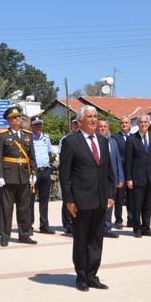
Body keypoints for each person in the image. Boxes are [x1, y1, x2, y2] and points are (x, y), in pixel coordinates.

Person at [59, 106, 114, 292]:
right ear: (80, 121)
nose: (93, 120)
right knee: (81, 239)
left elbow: (108, 170)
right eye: (89, 117)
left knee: (97, 239)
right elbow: (64, 175)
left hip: (100, 198)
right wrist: (68, 200)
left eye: (95, 117)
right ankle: (81, 277)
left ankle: (92, 275)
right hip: (80, 200)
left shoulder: (103, 140)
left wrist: (111, 194)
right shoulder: (70, 142)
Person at [0, 105, 36, 246]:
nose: (18, 119)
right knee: (7, 208)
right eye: (14, 117)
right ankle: (5, 236)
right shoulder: (2, 135)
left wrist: (33, 173)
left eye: (19, 117)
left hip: (23, 175)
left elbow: (32, 157)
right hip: (8, 175)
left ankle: (24, 234)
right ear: (9, 120)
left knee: (24, 208)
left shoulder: (27, 135)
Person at [124, 113, 151, 237]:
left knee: (147, 205)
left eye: (145, 122)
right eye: (141, 122)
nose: (143, 124)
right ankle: (137, 228)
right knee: (137, 205)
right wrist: (128, 178)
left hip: (150, 177)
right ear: (137, 124)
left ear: (149, 124)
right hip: (137, 178)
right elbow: (128, 161)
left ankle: (146, 227)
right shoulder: (131, 139)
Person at [97, 118, 124, 238]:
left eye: (105, 127)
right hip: (99, 180)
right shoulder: (95, 141)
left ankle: (107, 227)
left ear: (108, 128)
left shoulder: (113, 142)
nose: (103, 128)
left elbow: (118, 161)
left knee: (110, 204)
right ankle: (98, 228)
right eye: (100, 126)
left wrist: (120, 178)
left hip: (112, 180)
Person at [28, 116, 54, 234]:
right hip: (33, 172)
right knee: (30, 200)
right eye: (36, 124)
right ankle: (29, 226)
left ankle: (44, 225)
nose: (38, 126)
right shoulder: (28, 138)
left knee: (44, 200)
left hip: (45, 171)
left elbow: (49, 153)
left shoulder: (46, 138)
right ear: (31, 125)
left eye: (40, 124)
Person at [59, 116, 81, 233]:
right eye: (74, 124)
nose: (76, 125)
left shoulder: (83, 137)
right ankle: (67, 223)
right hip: (69, 172)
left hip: (78, 174)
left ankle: (75, 221)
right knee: (67, 198)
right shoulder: (65, 139)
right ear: (71, 125)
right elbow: (62, 158)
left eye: (78, 123)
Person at [112, 116, 132, 228]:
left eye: (126, 123)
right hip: (120, 172)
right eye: (122, 123)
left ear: (130, 124)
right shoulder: (115, 138)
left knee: (131, 198)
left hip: (132, 173)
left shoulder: (134, 137)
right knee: (119, 198)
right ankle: (118, 220)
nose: (124, 124)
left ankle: (131, 219)